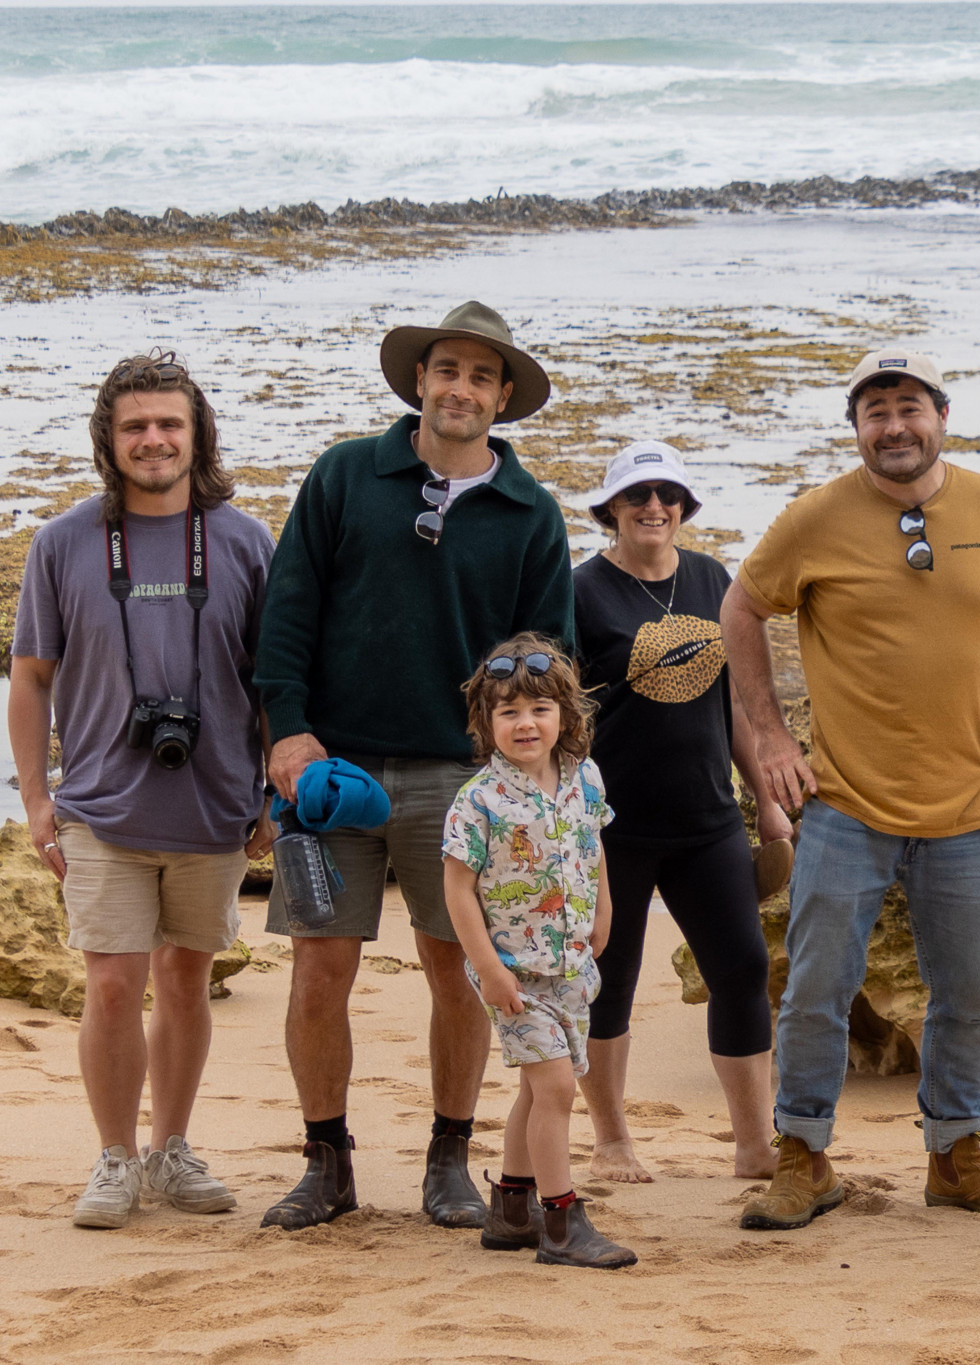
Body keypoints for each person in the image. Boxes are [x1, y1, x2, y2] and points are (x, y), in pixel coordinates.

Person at [722, 348, 980, 1230]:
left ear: (941, 416)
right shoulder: (813, 519)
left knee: (965, 994)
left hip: (968, 805)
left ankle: (956, 1155)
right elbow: (741, 610)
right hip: (844, 803)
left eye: (909, 406)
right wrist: (768, 734)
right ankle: (803, 1155)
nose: (894, 425)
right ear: (856, 428)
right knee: (814, 987)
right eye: (875, 410)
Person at [253, 301, 576, 1231]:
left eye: (482, 375)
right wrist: (287, 728)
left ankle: (450, 1158)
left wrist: (525, 775)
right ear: (420, 382)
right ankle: (326, 1161)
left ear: (503, 397)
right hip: (330, 774)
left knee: (462, 969)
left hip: (464, 782)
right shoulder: (347, 474)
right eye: (447, 369)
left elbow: (547, 659)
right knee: (319, 968)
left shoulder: (530, 513)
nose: (461, 388)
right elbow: (288, 609)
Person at [11, 351, 275, 1230]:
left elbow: (273, 676)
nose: (154, 439)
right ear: (108, 439)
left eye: (170, 423)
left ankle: (173, 1147)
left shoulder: (243, 539)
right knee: (114, 983)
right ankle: (115, 1156)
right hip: (98, 804)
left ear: (197, 432)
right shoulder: (63, 541)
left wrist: (275, 790)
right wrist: (34, 796)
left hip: (213, 804)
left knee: (188, 978)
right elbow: (31, 677)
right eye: (135, 426)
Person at [572, 441, 788, 1183]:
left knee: (743, 969)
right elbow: (562, 716)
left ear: (685, 506)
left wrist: (765, 800)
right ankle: (610, 1139)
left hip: (709, 820)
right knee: (610, 978)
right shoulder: (581, 591)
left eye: (667, 494)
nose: (653, 506)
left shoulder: (711, 577)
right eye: (637, 495)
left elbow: (731, 699)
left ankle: (754, 1141)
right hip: (613, 828)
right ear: (611, 508)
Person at [442, 634, 633, 1269]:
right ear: (485, 721)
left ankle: (511, 1209)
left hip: (573, 965)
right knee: (555, 1089)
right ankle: (561, 1222)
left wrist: (604, 909)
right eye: (508, 712)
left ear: (565, 715)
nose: (525, 723)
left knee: (537, 1089)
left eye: (539, 709)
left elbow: (595, 844)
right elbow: (459, 891)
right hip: (514, 974)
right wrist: (490, 971)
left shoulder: (586, 777)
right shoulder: (479, 801)